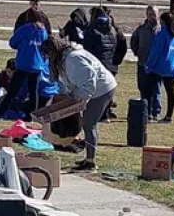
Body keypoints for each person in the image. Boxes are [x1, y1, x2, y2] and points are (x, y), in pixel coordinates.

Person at [40, 36, 118, 171]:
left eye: (47, 55)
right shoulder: (63, 60)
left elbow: (89, 82)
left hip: (102, 89)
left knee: (89, 123)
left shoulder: (73, 59)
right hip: (89, 89)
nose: (46, 58)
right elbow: (65, 83)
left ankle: (91, 162)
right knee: (85, 122)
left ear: (53, 52)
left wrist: (80, 102)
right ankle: (87, 157)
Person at [1, 9, 48, 116]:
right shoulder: (43, 32)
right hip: (37, 65)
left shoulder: (24, 29)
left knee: (13, 89)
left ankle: (2, 110)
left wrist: (22, 46)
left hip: (24, 64)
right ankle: (33, 114)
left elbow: (13, 43)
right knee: (33, 91)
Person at [83, 7, 127, 120]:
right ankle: (107, 112)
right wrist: (117, 60)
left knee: (98, 91)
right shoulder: (114, 30)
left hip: (98, 65)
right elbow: (123, 45)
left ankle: (101, 114)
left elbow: (87, 48)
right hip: (111, 65)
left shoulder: (92, 30)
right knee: (108, 89)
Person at [144, 12, 174, 123]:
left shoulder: (162, 34)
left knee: (148, 90)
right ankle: (169, 116)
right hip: (173, 68)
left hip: (160, 67)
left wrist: (149, 65)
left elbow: (156, 52)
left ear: (164, 22)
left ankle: (148, 114)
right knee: (170, 92)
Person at [130, 5, 162, 119]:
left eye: (154, 14)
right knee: (143, 88)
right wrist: (137, 52)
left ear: (158, 15)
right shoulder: (141, 29)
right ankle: (146, 111)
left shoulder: (161, 30)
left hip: (157, 66)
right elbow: (133, 41)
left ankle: (156, 111)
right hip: (143, 64)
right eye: (149, 14)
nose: (152, 17)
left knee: (156, 89)